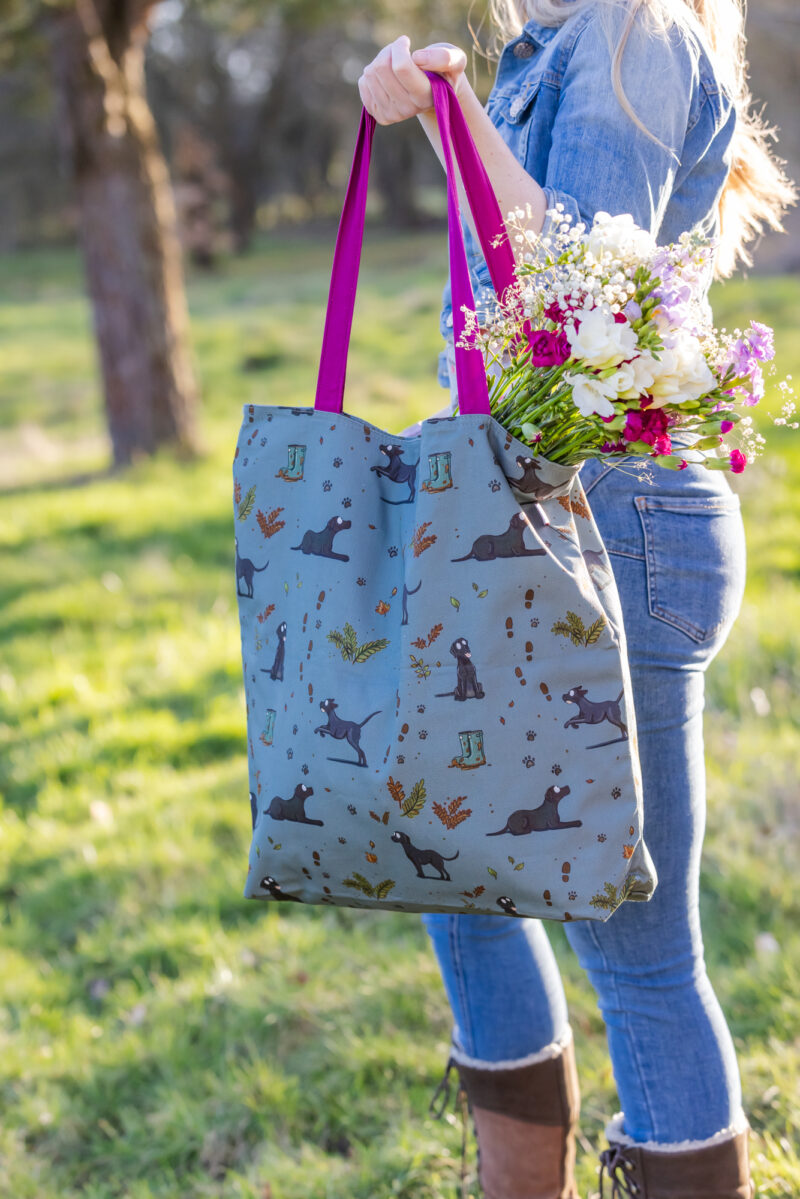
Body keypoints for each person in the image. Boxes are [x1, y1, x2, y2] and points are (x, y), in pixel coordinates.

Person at [357, 3, 796, 1197]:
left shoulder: (629, 32)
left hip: (616, 524)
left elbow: (573, 279)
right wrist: (435, 104)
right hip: (529, 512)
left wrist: (453, 111)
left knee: (635, 945)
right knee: (462, 876)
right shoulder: (554, 45)